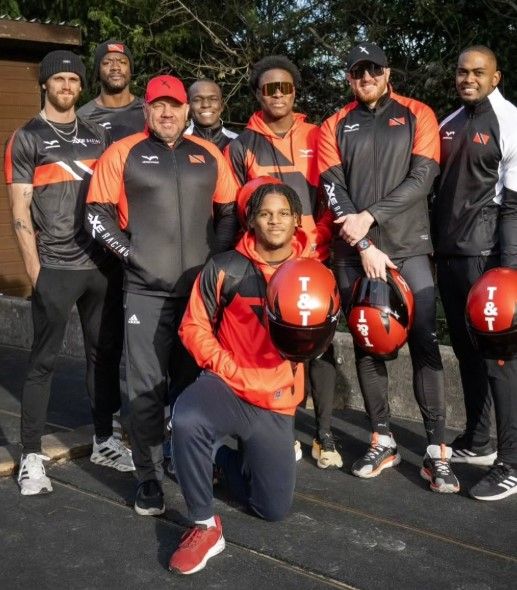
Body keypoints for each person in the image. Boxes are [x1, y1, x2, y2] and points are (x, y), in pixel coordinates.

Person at [85, 74, 238, 516]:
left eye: (175, 105)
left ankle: (188, 460)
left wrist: (217, 263)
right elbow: (96, 216)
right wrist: (132, 256)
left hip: (197, 296)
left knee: (192, 388)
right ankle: (148, 478)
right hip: (146, 293)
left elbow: (229, 211)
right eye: (158, 105)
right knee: (146, 390)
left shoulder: (209, 154)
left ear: (188, 110)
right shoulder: (123, 153)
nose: (167, 113)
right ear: (146, 111)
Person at [318, 42, 459, 493]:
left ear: (387, 71)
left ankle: (437, 449)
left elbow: (423, 179)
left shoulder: (418, 113)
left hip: (408, 248)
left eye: (373, 70)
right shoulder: (333, 124)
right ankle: (383, 438)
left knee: (424, 343)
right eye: (357, 71)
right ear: (349, 78)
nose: (366, 78)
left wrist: (371, 216)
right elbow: (331, 189)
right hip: (354, 252)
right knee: (368, 345)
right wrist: (362, 241)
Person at [4, 50, 134, 496]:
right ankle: (32, 458)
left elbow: (116, 199)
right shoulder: (27, 137)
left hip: (99, 267)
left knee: (103, 356)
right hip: (54, 267)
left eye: (73, 81)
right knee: (42, 362)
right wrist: (35, 271)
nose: (66, 86)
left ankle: (103, 441)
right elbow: (19, 208)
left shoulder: (99, 135)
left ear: (81, 86)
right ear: (45, 84)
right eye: (58, 79)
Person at [169, 182, 308, 575]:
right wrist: (227, 368)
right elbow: (193, 327)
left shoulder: (310, 271)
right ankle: (204, 526)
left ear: (296, 220)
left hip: (275, 399)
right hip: (228, 386)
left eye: (283, 214)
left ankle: (220, 458)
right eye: (266, 213)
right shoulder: (225, 266)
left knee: (272, 510)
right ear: (251, 219)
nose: (275, 221)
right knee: (187, 418)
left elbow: (320, 339)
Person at [225, 55, 341, 469]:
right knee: (274, 346)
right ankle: (282, 428)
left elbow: (333, 197)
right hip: (267, 263)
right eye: (269, 88)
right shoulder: (241, 145)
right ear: (258, 94)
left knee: (321, 348)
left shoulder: (318, 135)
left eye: (285, 87)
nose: (278, 94)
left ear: (295, 92)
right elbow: (237, 209)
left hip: (316, 257)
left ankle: (324, 435)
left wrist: (317, 239)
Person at [433, 46, 517, 500]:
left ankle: (511, 462)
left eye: (478, 72)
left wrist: (509, 269)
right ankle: (479, 440)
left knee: (500, 360)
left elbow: (515, 203)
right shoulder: (448, 124)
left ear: (495, 76)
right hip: (450, 257)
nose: (468, 78)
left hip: (490, 261)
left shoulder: (510, 121)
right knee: (466, 352)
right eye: (462, 71)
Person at [77, 40, 145, 141]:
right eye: (107, 63)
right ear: (98, 71)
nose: (115, 67)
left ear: (131, 70)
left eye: (122, 62)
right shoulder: (83, 118)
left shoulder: (147, 111)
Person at [184, 79, 237, 151]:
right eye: (197, 100)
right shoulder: (179, 142)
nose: (206, 105)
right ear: (188, 106)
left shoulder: (238, 142)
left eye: (213, 99)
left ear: (221, 106)